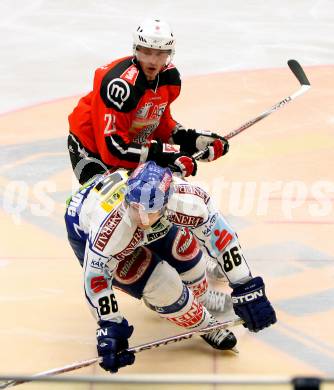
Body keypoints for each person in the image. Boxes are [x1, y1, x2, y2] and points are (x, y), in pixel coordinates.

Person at [64, 161, 277, 373]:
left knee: (190, 259)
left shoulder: (187, 200)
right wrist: (110, 327)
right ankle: (204, 324)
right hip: (86, 231)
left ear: (167, 202)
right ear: (127, 200)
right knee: (163, 285)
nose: (143, 220)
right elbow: (96, 279)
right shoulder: (109, 230)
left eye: (150, 212)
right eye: (135, 209)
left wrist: (246, 286)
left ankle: (197, 303)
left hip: (146, 222)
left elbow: (221, 238)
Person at [67, 18, 229, 184]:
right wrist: (168, 155)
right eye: (146, 51)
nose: (153, 61)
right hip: (92, 149)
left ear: (169, 54)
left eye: (160, 54)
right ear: (136, 50)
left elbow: (160, 125)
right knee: (118, 206)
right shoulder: (121, 87)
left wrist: (192, 141)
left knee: (159, 199)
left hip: (129, 146)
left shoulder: (170, 79)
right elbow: (113, 151)